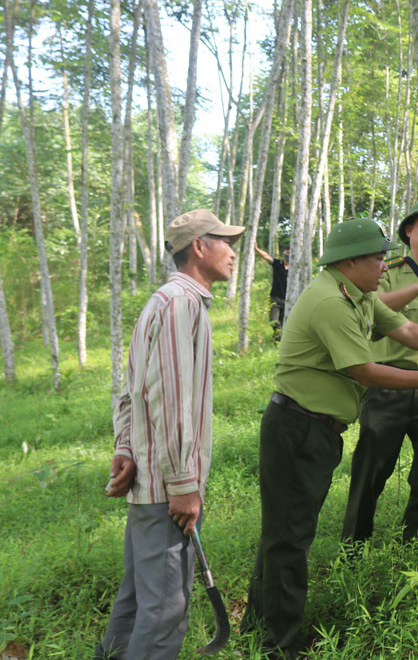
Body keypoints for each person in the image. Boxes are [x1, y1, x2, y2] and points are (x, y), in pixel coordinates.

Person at [241, 217, 418, 660]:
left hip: (317, 429)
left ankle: (259, 628)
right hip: (297, 428)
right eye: (376, 257)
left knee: (285, 534)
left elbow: (408, 331)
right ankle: (279, 645)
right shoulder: (330, 301)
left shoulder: (360, 296)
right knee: (290, 538)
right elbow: (363, 371)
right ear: (351, 261)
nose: (383, 266)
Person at [94, 209, 245, 660]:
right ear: (199, 247)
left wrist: (125, 446)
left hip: (148, 481)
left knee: (138, 599)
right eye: (225, 241)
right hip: (166, 488)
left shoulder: (164, 300)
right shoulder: (181, 303)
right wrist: (183, 482)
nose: (233, 252)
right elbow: (172, 399)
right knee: (165, 611)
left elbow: (132, 389)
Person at [341, 199, 418, 544]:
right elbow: (369, 314)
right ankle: (354, 547)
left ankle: (417, 547)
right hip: (389, 386)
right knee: (370, 473)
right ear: (408, 231)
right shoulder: (385, 272)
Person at [253, 241, 290, 337]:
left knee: (283, 324)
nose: (288, 255)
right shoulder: (278, 264)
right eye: (287, 252)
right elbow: (266, 257)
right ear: (284, 252)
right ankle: (278, 338)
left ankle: (277, 342)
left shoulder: (295, 269)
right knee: (273, 321)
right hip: (275, 299)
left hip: (287, 300)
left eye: (290, 253)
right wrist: (257, 249)